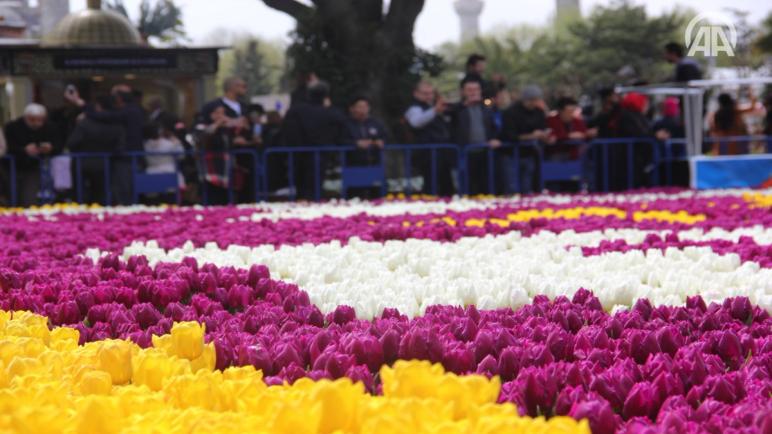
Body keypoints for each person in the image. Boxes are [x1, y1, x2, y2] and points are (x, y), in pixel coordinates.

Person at [281, 81, 346, 200]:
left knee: (301, 185)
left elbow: (287, 131)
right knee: (315, 185)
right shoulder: (331, 113)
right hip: (321, 154)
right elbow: (341, 130)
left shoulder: (296, 111)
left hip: (298, 154)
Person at [66, 95, 126, 205]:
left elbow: (72, 143)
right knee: (101, 194)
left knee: (80, 194)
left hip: (83, 162)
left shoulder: (85, 123)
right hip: (105, 164)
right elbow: (120, 147)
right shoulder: (117, 124)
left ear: (98, 106)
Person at [448, 80, 501, 195]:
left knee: (486, 185)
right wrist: (465, 104)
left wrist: (495, 139)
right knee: (468, 187)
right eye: (470, 90)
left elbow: (496, 127)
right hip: (465, 153)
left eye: (476, 90)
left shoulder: (487, 107)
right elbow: (449, 114)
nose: (473, 93)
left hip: (485, 152)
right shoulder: (456, 109)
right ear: (463, 92)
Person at [4, 103, 62, 206]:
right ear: (26, 117)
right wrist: (23, 150)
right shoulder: (12, 127)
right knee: (11, 195)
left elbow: (58, 145)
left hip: (33, 167)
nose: (36, 123)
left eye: (40, 120)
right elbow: (7, 148)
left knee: (29, 198)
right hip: (11, 166)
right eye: (32, 120)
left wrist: (50, 148)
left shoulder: (50, 127)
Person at [501, 85, 553, 193]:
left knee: (527, 186)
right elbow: (510, 136)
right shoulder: (510, 112)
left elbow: (543, 128)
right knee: (512, 187)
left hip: (530, 154)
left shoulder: (538, 112)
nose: (535, 103)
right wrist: (531, 136)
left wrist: (545, 136)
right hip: (512, 154)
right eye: (533, 100)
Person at [404, 81, 453, 195]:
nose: (429, 96)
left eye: (431, 93)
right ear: (416, 93)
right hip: (426, 153)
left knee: (446, 184)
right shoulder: (414, 108)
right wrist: (435, 110)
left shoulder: (434, 107)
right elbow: (416, 122)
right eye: (425, 93)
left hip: (442, 151)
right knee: (431, 184)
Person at [615, 92, 653, 190]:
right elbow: (636, 132)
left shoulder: (639, 116)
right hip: (630, 155)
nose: (646, 106)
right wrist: (654, 136)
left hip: (639, 155)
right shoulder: (627, 116)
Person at [144, 114, 185, 191]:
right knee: (171, 199)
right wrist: (176, 142)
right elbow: (181, 155)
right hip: (169, 174)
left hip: (151, 174)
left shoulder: (145, 145)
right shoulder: (169, 144)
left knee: (153, 200)